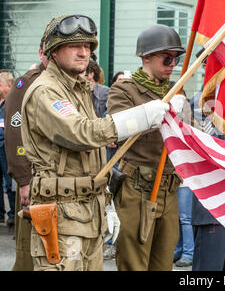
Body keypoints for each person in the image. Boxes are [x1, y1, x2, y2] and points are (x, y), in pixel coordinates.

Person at [20, 14, 170, 271]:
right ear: (54, 51)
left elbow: (94, 153)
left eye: (88, 46)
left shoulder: (76, 88)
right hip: (61, 216)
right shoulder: (46, 90)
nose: (84, 52)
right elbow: (81, 134)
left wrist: (106, 202)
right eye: (74, 46)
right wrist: (142, 116)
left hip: (87, 212)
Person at [107, 24, 188, 271]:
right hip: (137, 189)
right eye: (166, 58)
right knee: (134, 263)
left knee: (163, 264)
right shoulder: (125, 89)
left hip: (168, 188)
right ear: (147, 57)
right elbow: (119, 129)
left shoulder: (175, 91)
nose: (172, 63)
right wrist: (154, 114)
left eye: (175, 58)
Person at [4, 28, 50, 271]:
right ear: (42, 52)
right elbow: (15, 133)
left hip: (59, 183)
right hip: (34, 181)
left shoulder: (64, 83)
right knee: (29, 253)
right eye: (49, 50)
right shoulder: (27, 82)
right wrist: (23, 179)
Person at [0, 71, 15, 227]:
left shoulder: (13, 102)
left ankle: (12, 215)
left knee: (10, 181)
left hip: (7, 145)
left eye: (0, 84)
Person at [173, 184, 194, 267]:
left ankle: (188, 254)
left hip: (185, 182)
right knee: (177, 219)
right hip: (174, 183)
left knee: (185, 219)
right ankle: (178, 251)